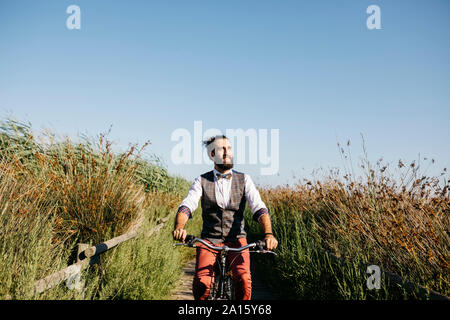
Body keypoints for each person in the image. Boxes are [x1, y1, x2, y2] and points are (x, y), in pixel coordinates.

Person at [172, 134, 278, 300]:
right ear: (212, 155)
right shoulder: (201, 180)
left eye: (229, 148)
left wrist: (268, 234)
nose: (227, 152)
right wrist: (180, 227)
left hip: (237, 239)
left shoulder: (245, 179)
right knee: (202, 283)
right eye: (222, 149)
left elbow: (259, 208)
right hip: (209, 239)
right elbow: (187, 205)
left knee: (243, 280)